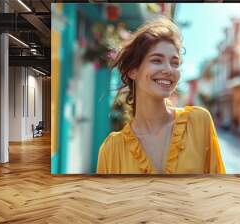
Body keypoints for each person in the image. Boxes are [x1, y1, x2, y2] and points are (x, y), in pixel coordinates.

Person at [97, 17, 226, 174]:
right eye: (157, 60)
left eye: (175, 63)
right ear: (133, 71)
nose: (169, 70)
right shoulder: (112, 149)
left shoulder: (198, 122)